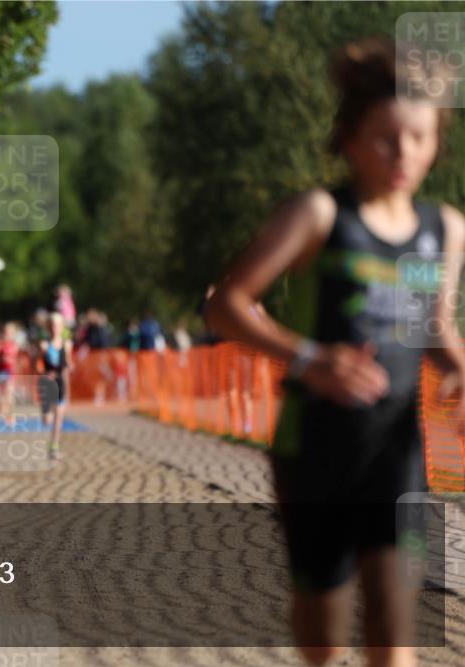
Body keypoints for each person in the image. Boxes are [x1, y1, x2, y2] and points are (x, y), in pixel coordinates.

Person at [205, 38, 465, 667]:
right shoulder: (319, 215)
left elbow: (425, 324)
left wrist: (458, 366)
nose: (404, 153)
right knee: (323, 633)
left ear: (436, 142)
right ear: (350, 136)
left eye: (420, 138)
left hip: (397, 449)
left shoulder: (442, 231)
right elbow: (226, 304)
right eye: (386, 136)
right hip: (316, 446)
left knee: (393, 614)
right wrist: (311, 360)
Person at [38, 312, 74, 460]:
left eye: (58, 325)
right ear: (48, 327)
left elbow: (67, 367)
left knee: (59, 418)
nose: (55, 328)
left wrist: (68, 389)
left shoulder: (67, 344)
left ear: (62, 327)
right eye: (52, 325)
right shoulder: (44, 345)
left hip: (61, 383)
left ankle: (53, 448)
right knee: (47, 419)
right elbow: (36, 366)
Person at [0, 321, 20, 429]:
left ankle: (11, 416)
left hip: (10, 372)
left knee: (10, 395)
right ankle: (3, 412)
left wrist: (9, 359)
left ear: (13, 334)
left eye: (10, 333)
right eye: (5, 332)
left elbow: (15, 359)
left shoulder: (15, 345)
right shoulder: (0, 344)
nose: (7, 335)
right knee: (0, 397)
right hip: (0, 372)